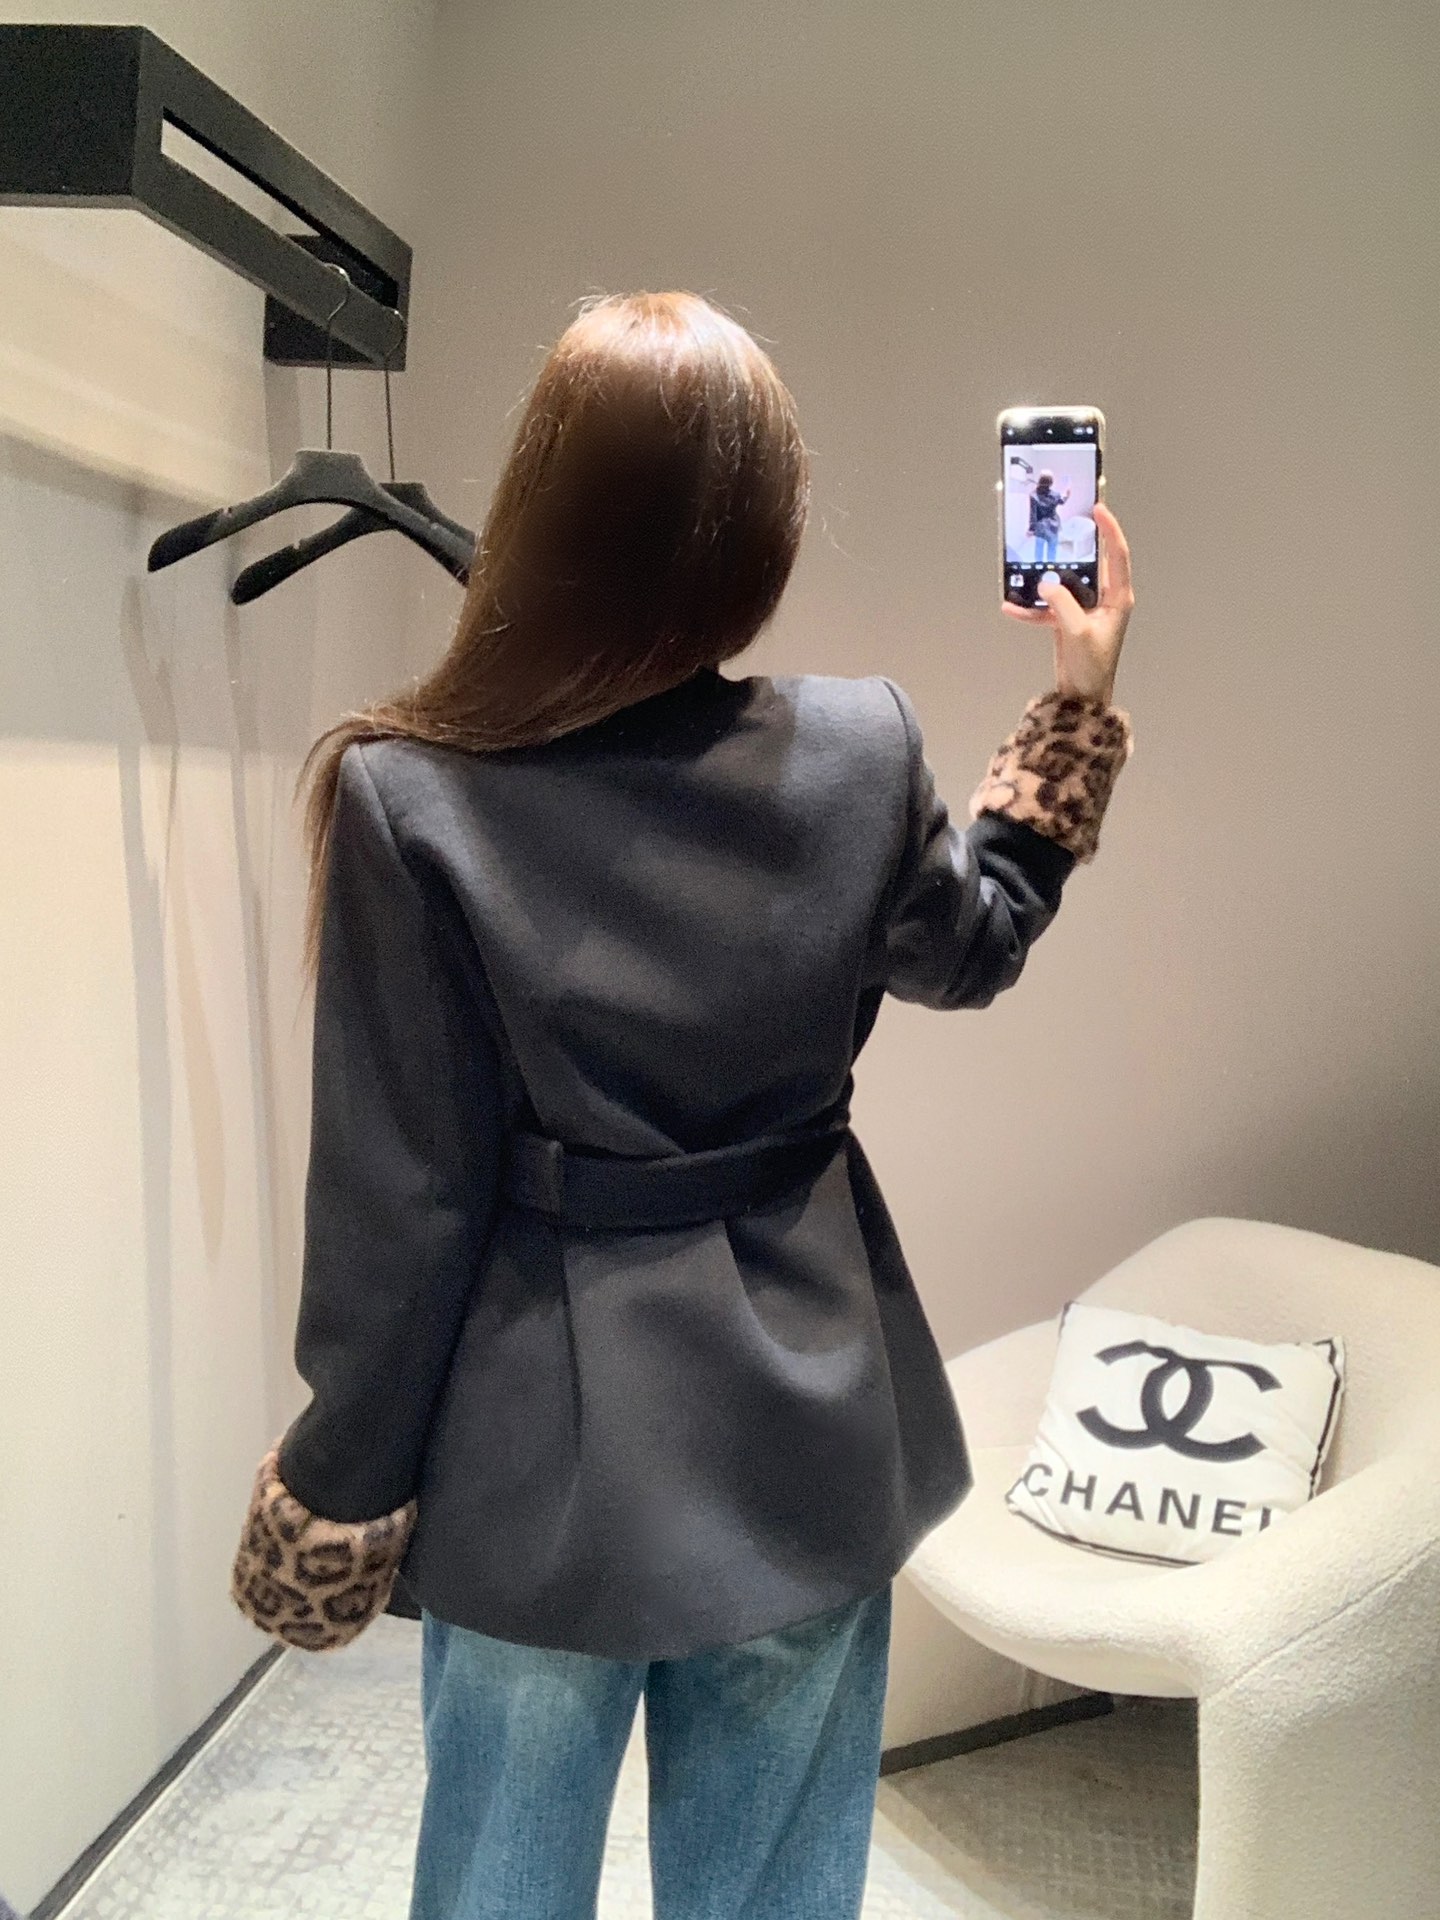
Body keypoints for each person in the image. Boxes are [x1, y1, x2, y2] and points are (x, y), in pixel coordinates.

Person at [230, 290, 1135, 1919]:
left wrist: (338, 1489)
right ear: (754, 534)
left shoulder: (409, 791)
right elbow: (978, 946)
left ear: (539, 510)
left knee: (498, 1887)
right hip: (804, 1427)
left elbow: (402, 1201)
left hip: (534, 1453)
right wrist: (1074, 703)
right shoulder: (859, 751)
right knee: (775, 1891)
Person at [1028, 468, 1071, 564]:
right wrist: (1067, 495)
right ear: (1051, 482)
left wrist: (1031, 529)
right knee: (1052, 550)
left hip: (1040, 527)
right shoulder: (1056, 495)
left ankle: (1038, 568)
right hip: (1053, 526)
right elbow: (1062, 501)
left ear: (1040, 480)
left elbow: (1033, 514)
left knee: (1039, 550)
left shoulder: (1033, 495)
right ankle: (1051, 568)